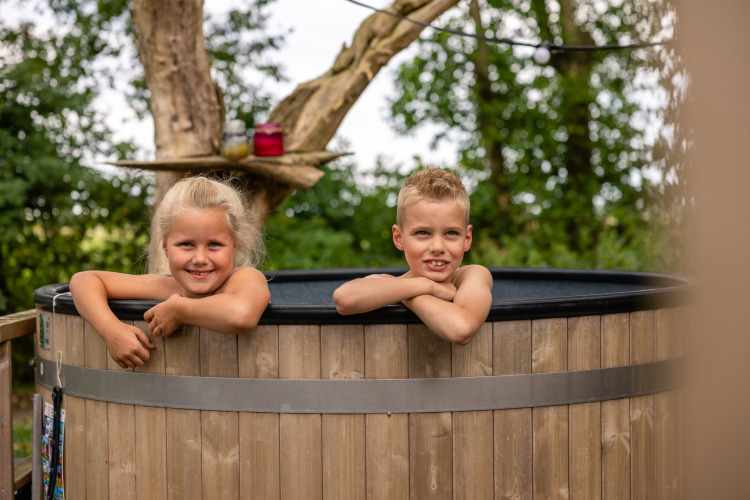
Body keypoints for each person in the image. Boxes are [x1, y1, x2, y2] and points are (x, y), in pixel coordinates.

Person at [69, 175, 270, 369]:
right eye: (186, 244)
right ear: (165, 247)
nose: (200, 259)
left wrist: (179, 310)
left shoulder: (245, 278)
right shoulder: (167, 286)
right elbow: (84, 280)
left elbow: (241, 314)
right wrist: (111, 331)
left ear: (234, 246)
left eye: (214, 244)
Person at [333, 167, 493, 344]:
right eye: (423, 233)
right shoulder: (391, 283)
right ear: (399, 238)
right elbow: (344, 299)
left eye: (451, 233)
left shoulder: (472, 275)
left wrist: (405, 294)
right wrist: (429, 287)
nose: (438, 247)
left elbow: (461, 329)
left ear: (467, 238)